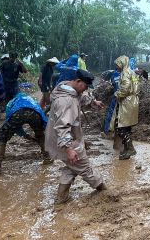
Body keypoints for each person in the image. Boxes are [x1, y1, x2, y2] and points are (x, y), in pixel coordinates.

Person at [45, 69, 106, 204]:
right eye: (85, 86)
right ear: (78, 81)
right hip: (67, 141)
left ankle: (61, 198)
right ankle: (104, 191)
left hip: (59, 139)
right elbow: (62, 127)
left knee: (72, 167)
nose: (85, 90)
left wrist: (93, 102)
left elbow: (80, 97)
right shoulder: (66, 101)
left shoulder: (66, 87)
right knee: (84, 167)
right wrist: (69, 149)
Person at [0, 93, 52, 175]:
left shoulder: (11, 103)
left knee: (2, 137)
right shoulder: (32, 100)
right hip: (34, 113)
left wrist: (23, 134)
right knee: (40, 135)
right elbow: (41, 115)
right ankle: (47, 158)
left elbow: (11, 120)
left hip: (17, 114)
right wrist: (44, 129)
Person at [112, 56, 140, 160]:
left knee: (121, 127)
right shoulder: (132, 72)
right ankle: (127, 149)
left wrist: (117, 94)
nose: (116, 67)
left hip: (126, 102)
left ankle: (131, 149)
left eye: (117, 64)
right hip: (133, 101)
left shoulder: (125, 73)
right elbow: (136, 85)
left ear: (122, 63)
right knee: (127, 127)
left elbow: (126, 88)